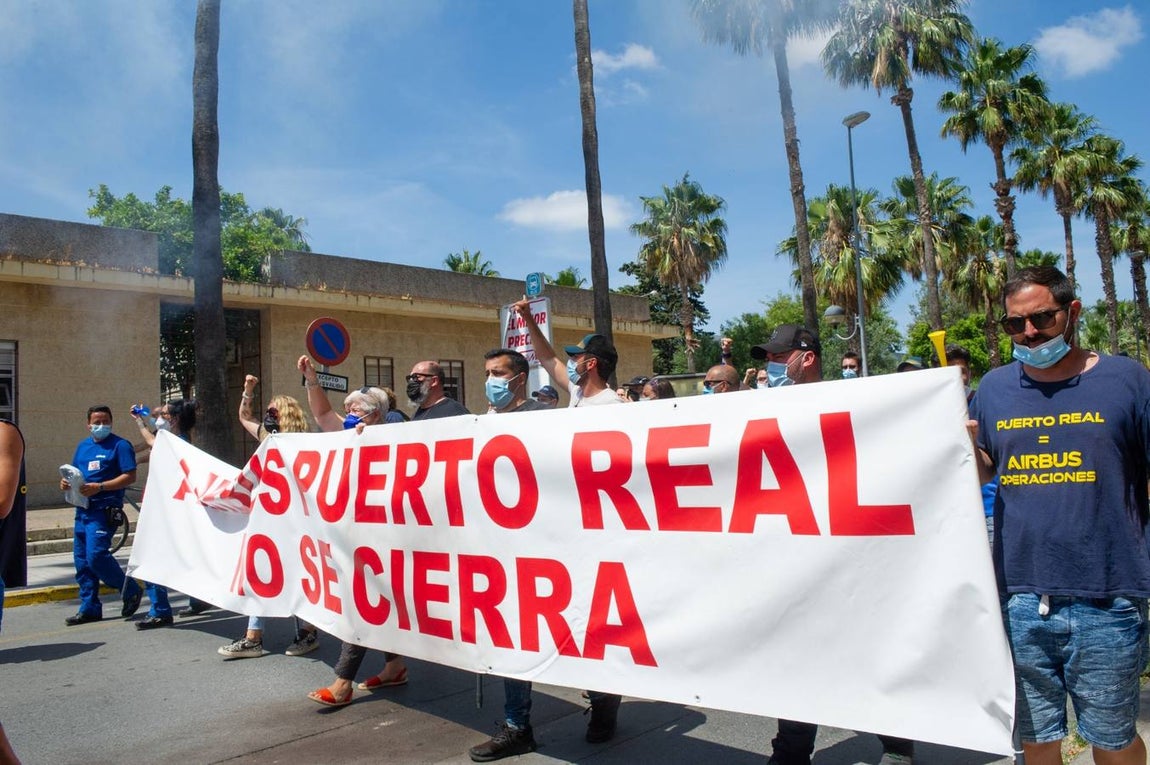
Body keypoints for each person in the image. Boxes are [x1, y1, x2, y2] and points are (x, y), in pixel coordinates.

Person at [970, 266, 1150, 765]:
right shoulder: (994, 388)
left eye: (1041, 319)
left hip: (1108, 595)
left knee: (1112, 740)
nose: (1029, 333)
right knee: (1036, 739)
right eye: (1014, 324)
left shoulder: (1128, 380)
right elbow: (985, 467)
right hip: (1020, 596)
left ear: (1072, 313)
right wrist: (963, 448)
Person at [751, 325, 914, 765]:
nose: (772, 365)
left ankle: (898, 744)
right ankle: (791, 751)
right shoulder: (760, 411)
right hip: (792, 557)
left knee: (866, 653)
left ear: (807, 358)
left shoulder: (853, 404)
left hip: (848, 555)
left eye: (779, 357)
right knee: (797, 656)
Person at [510, 298, 623, 742]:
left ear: (591, 363)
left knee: (596, 626)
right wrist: (525, 320)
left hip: (598, 532)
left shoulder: (616, 409)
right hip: (568, 531)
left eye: (577, 357)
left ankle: (604, 703)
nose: (570, 363)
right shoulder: (577, 396)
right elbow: (545, 356)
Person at [298, 355, 410, 706]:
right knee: (376, 603)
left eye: (355, 409)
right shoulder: (347, 435)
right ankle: (394, 666)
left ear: (375, 413)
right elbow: (321, 416)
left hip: (385, 536)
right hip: (357, 534)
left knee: (362, 605)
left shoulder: (396, 432)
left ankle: (343, 681)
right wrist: (312, 380)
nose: (347, 414)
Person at [467, 348, 552, 761]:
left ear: (520, 378)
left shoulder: (541, 418)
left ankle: (602, 696)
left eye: (498, 372)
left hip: (538, 545)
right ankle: (518, 726)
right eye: (487, 373)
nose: (491, 380)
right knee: (511, 637)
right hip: (495, 549)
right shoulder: (481, 422)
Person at [217, 375, 321, 659]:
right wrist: (248, 390)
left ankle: (308, 633)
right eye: (268, 413)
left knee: (299, 575)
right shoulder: (266, 438)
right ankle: (253, 638)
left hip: (297, 523)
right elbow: (244, 416)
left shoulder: (306, 444)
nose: (268, 417)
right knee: (259, 571)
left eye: (274, 412)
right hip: (268, 521)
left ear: (287, 414)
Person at [59, 405, 143, 626]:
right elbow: (74, 473)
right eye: (97, 421)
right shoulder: (83, 447)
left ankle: (130, 589)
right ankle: (89, 607)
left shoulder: (120, 445)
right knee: (82, 562)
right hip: (82, 510)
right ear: (88, 424)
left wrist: (101, 486)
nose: (101, 425)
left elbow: (130, 476)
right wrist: (66, 483)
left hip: (104, 510)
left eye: (105, 421)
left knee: (96, 556)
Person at [131, 399, 199, 627]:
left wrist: (140, 422)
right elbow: (150, 448)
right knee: (185, 554)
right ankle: (198, 598)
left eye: (165, 414)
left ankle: (160, 609)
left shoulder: (173, 441)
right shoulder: (175, 439)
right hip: (171, 506)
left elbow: (151, 441)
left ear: (176, 419)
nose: (159, 417)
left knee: (150, 554)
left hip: (166, 508)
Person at [406, 361, 471, 419]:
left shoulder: (455, 412)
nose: (411, 381)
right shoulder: (416, 415)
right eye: (410, 378)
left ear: (434, 381)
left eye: (416, 377)